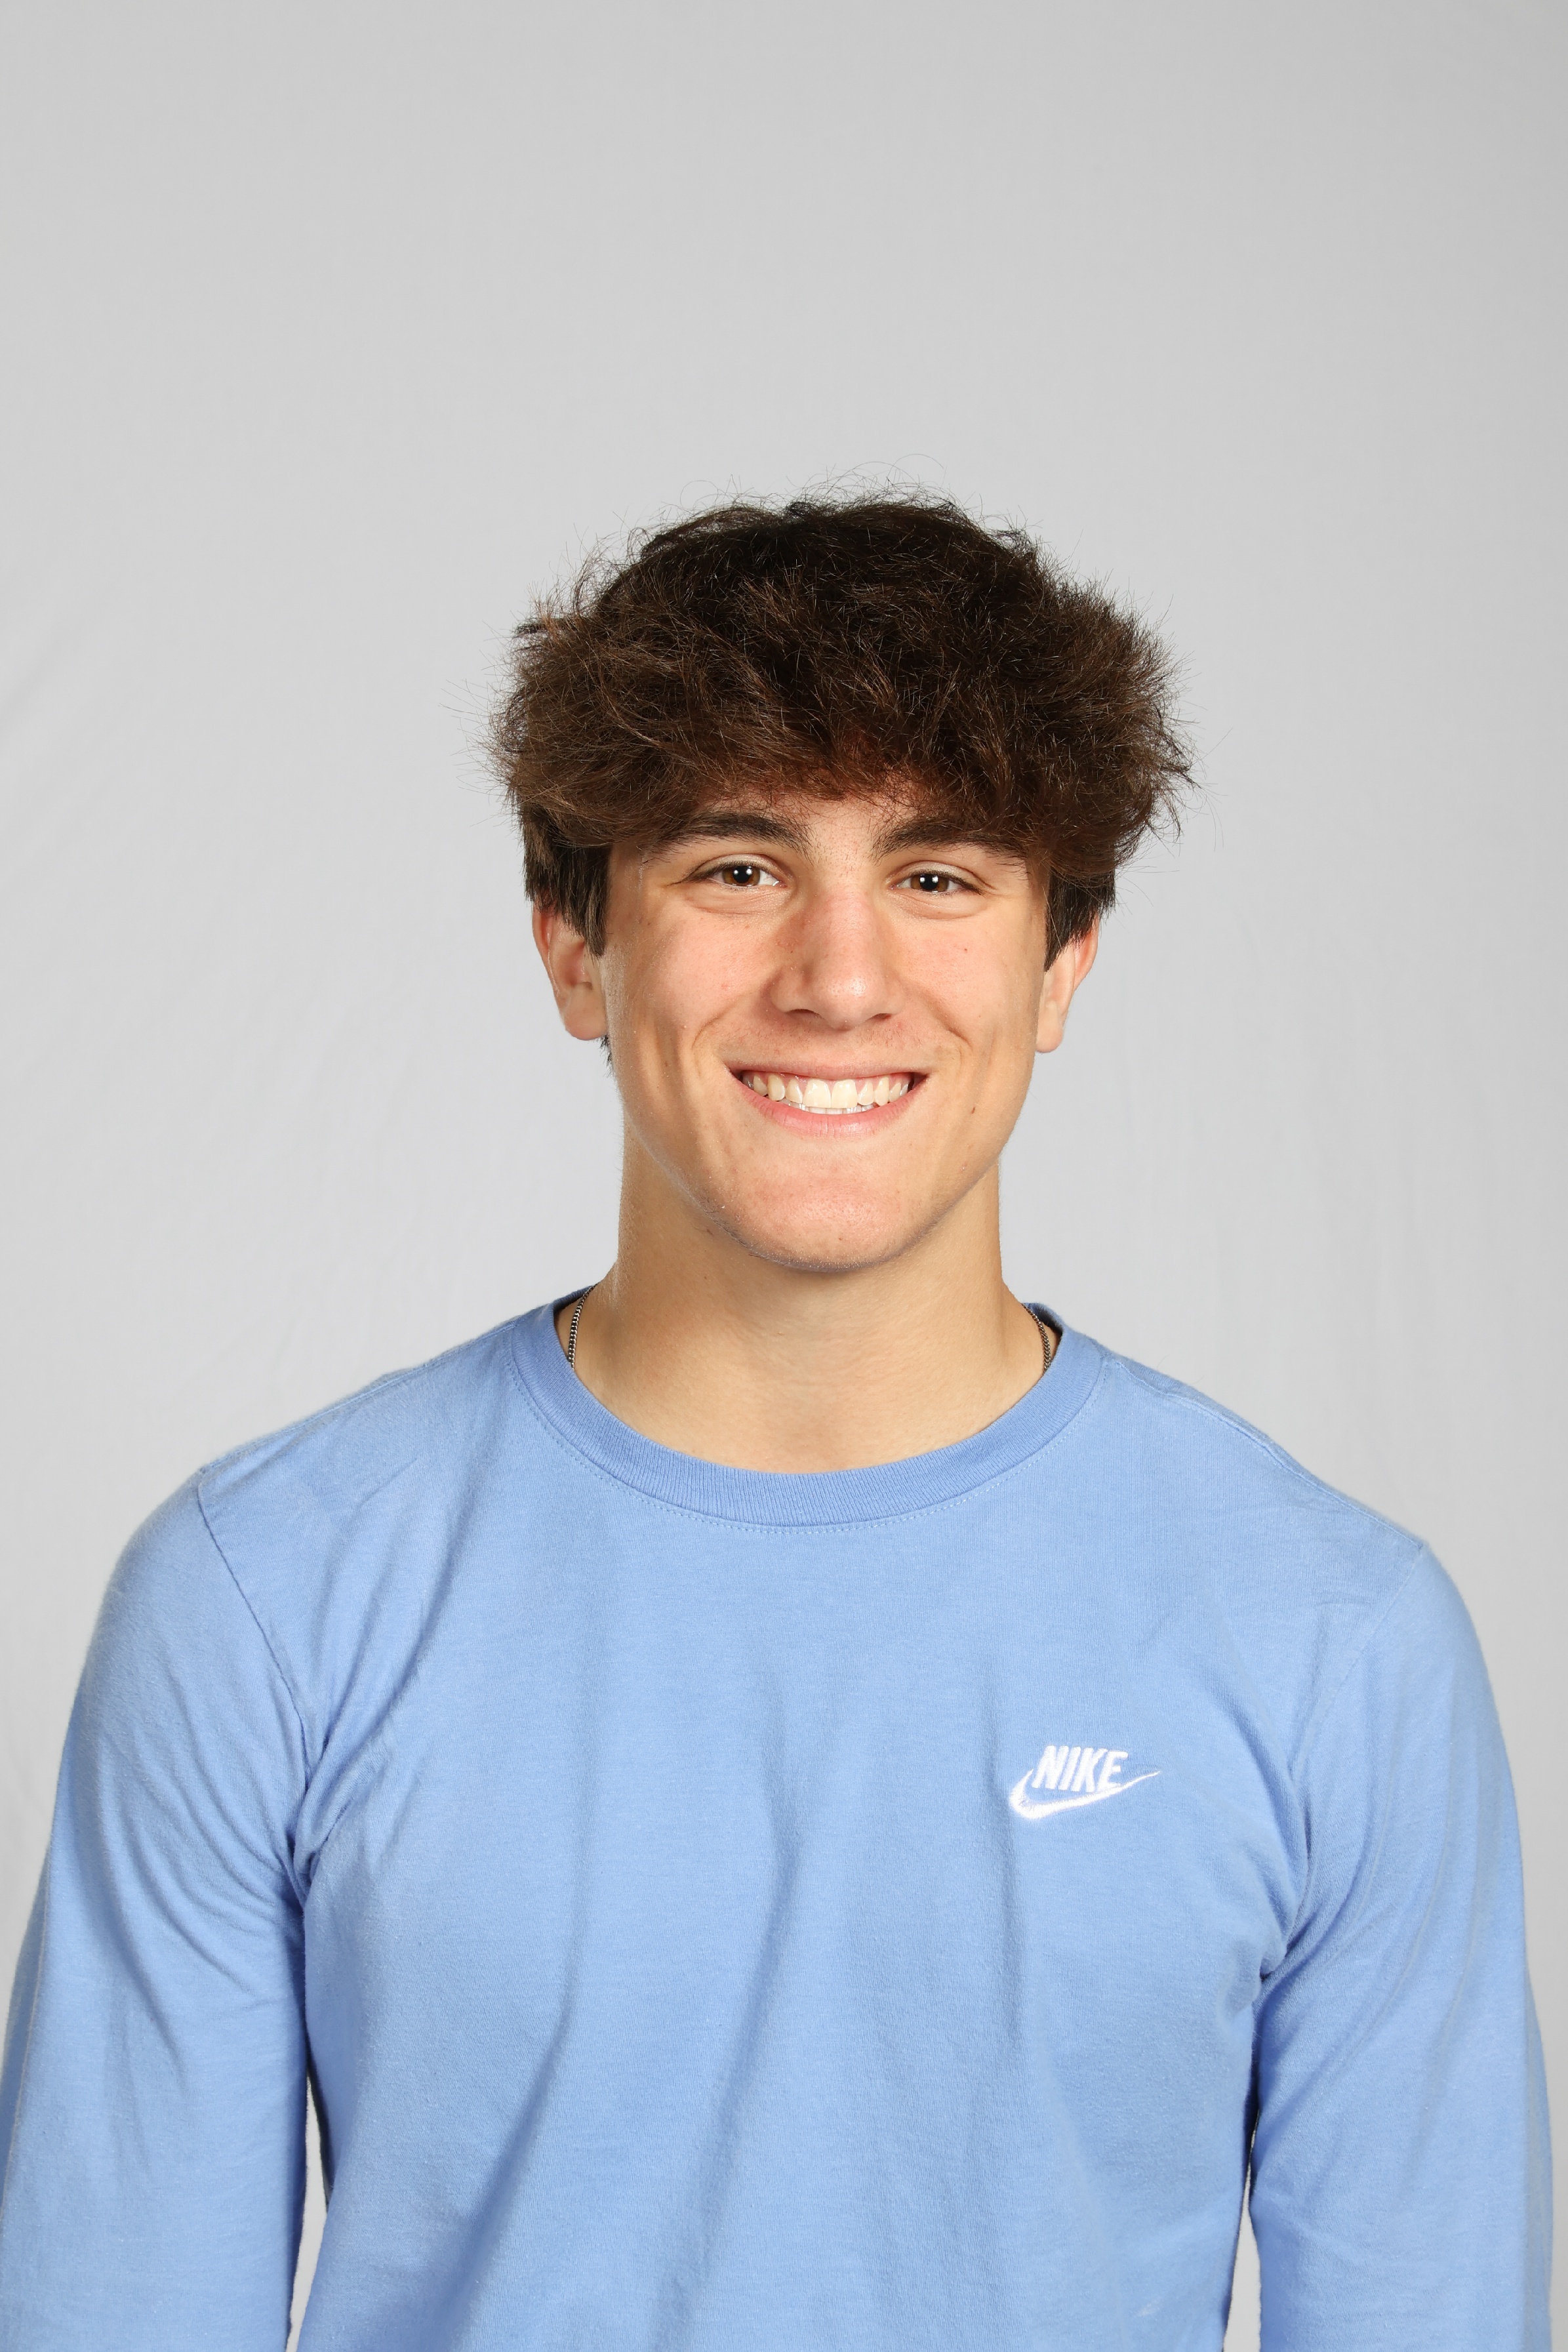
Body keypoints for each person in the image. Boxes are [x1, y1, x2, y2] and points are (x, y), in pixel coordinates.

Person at [0, 495, 1550, 2350]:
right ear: (575, 947)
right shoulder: (262, 1598)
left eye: (941, 876)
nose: (840, 975)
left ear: (1062, 963)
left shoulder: (1334, 1640)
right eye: (739, 867)